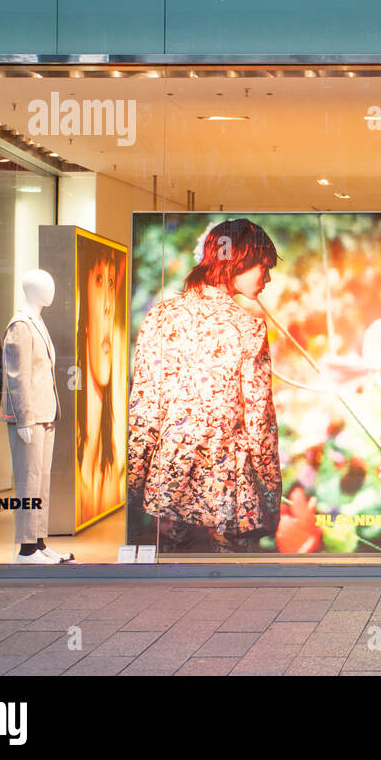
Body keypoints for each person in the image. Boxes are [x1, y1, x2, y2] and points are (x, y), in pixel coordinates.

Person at [127, 219, 281, 553]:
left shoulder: (159, 316)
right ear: (237, 261)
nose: (267, 279)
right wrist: (270, 494)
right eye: (263, 267)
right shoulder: (247, 325)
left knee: (171, 587)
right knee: (234, 587)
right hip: (229, 489)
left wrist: (135, 482)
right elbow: (260, 424)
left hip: (169, 484)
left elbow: (144, 410)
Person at [76, 245, 126, 525]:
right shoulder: (72, 473)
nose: (108, 304)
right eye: (98, 281)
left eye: (110, 283)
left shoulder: (111, 465)